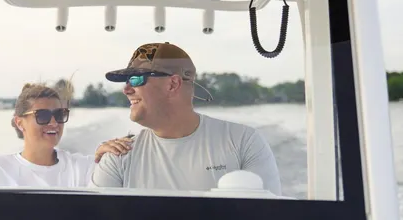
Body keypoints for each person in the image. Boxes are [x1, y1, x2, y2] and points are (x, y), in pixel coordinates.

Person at [88, 42, 282, 194]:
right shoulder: (118, 156)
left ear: (173, 84)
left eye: (137, 79)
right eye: (126, 81)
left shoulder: (243, 142)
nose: (126, 89)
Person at [0, 81, 130, 188]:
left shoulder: (84, 168)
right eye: (43, 115)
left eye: (59, 115)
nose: (54, 123)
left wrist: (107, 159)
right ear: (20, 123)